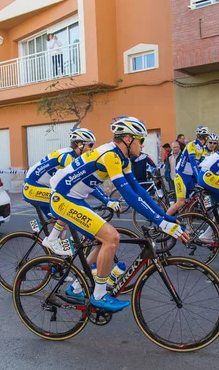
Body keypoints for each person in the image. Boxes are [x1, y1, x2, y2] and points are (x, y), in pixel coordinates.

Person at [49, 116, 188, 312]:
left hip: (76, 199)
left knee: (101, 240)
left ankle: (76, 285)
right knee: (111, 237)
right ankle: (99, 295)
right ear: (129, 139)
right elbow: (129, 196)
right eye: (141, 141)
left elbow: (138, 191)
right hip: (62, 199)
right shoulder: (110, 156)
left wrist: (164, 216)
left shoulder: (123, 159)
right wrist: (161, 223)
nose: (142, 146)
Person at [23, 128, 117, 256]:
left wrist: (106, 199)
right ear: (80, 144)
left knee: (64, 219)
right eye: (90, 145)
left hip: (40, 186)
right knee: (65, 204)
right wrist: (106, 200)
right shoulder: (68, 157)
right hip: (32, 187)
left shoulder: (72, 155)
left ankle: (58, 263)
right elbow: (77, 183)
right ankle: (51, 239)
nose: (91, 149)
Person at [166, 126, 211, 217]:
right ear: (205, 138)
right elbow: (193, 162)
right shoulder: (191, 145)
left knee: (192, 199)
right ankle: (163, 221)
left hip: (189, 177)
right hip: (181, 176)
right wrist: (199, 177)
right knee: (180, 202)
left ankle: (186, 221)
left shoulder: (203, 148)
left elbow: (204, 164)